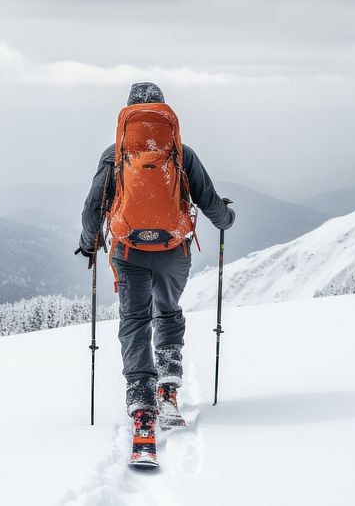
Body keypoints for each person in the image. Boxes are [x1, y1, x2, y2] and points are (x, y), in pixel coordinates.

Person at [77, 82, 235, 452]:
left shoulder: (114, 154)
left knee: (134, 319)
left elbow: (92, 208)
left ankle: (141, 401)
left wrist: (89, 243)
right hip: (172, 249)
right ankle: (167, 383)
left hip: (129, 250)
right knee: (168, 311)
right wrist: (226, 220)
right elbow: (208, 200)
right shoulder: (182, 152)